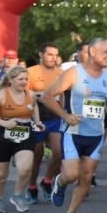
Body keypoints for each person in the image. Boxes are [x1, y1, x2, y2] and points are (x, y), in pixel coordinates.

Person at [41, 38, 107, 213]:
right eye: (105, 52)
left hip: (96, 136)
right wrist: (65, 115)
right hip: (73, 133)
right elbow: (47, 97)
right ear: (92, 51)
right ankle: (60, 181)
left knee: (85, 178)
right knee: (72, 174)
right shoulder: (74, 73)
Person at [0, 66, 43, 213]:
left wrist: (37, 122)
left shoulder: (31, 94)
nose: (24, 82)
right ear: (11, 80)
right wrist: (4, 123)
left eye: (26, 79)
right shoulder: (1, 95)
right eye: (20, 79)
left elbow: (33, 108)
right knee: (0, 174)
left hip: (24, 133)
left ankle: (18, 195)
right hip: (1, 134)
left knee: (25, 167)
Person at [27, 42, 63, 203]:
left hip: (55, 118)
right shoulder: (31, 72)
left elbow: (64, 95)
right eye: (50, 54)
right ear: (41, 55)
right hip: (36, 117)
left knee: (59, 152)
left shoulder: (61, 73)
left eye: (55, 55)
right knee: (37, 155)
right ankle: (31, 186)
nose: (53, 58)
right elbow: (26, 96)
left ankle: (47, 181)